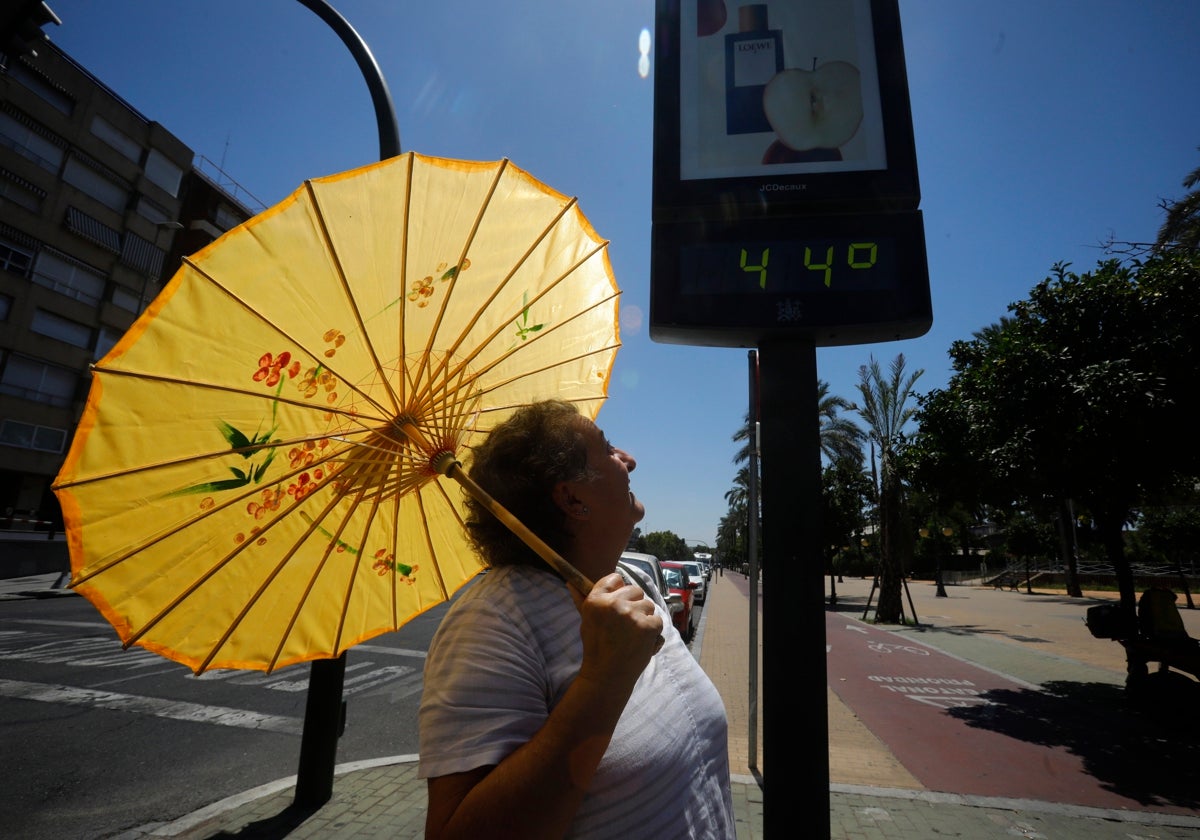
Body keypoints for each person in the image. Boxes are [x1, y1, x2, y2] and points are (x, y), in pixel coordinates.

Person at [418, 400, 736, 840]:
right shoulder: (491, 623)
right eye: (606, 449)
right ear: (572, 499)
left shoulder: (630, 577)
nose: (629, 459)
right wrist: (603, 679)